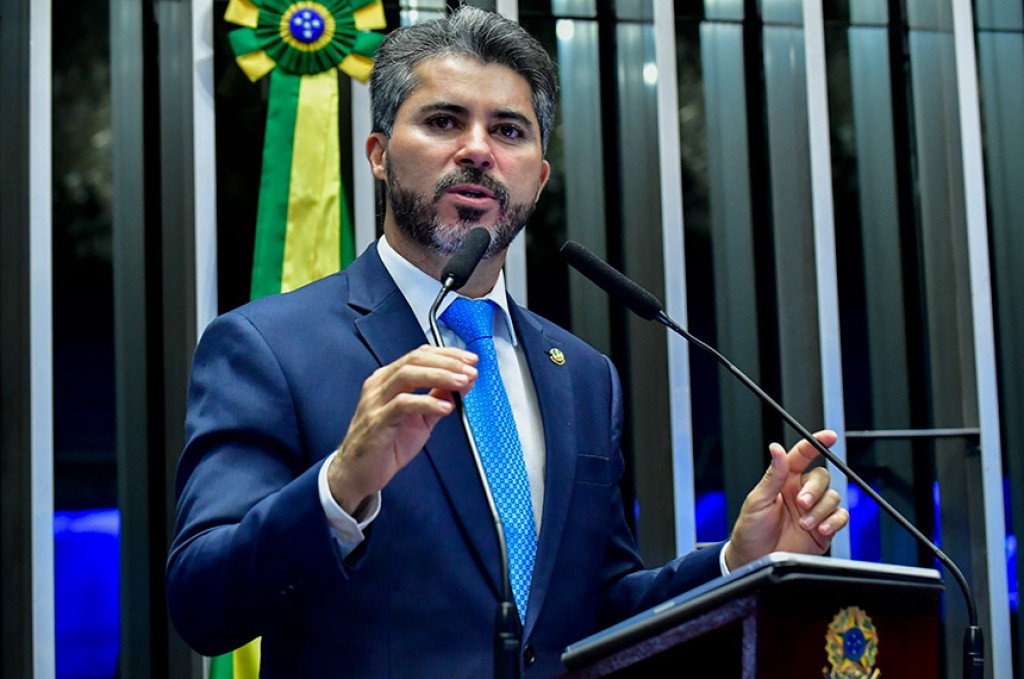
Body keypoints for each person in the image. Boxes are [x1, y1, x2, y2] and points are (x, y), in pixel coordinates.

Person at [167, 6, 848, 677]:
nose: (477, 149)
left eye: (509, 130)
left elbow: (593, 614)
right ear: (378, 155)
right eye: (443, 121)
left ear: (538, 177)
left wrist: (735, 565)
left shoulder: (582, 375)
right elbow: (202, 602)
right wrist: (341, 485)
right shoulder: (268, 347)